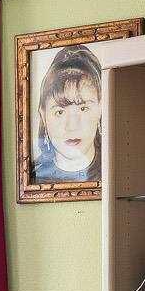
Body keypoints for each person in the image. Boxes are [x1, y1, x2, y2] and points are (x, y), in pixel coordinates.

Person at [30, 44, 103, 186]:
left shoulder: (121, 172)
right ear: (43, 115)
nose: (72, 126)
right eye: (60, 112)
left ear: (100, 110)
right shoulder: (32, 177)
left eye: (83, 109)